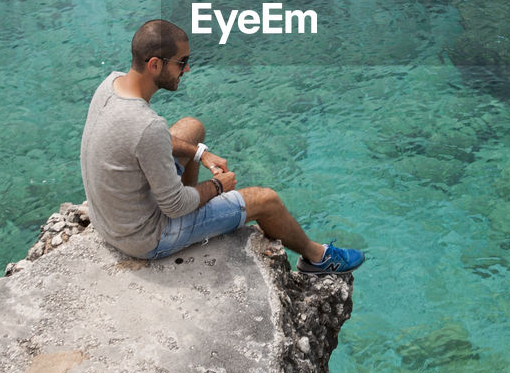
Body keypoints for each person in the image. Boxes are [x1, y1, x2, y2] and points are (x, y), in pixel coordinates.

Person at [79, 19, 364, 273]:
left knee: (192, 128)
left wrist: (200, 153)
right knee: (265, 200)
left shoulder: (111, 84)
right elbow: (175, 203)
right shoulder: (147, 126)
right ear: (155, 65)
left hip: (111, 221)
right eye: (181, 61)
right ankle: (318, 258)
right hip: (145, 237)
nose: (187, 68)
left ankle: (197, 205)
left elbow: (144, 138)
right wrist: (219, 187)